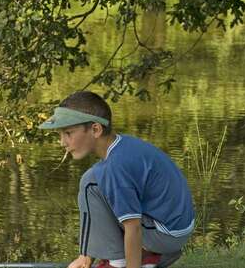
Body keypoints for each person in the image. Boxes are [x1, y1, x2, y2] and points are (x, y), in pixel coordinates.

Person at [38, 91, 195, 268]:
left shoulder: (115, 166)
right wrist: (87, 255)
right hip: (175, 228)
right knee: (93, 178)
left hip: (167, 233)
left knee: (90, 184)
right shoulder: (122, 145)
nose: (62, 142)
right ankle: (139, 256)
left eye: (68, 133)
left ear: (95, 129)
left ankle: (119, 261)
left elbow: (133, 227)